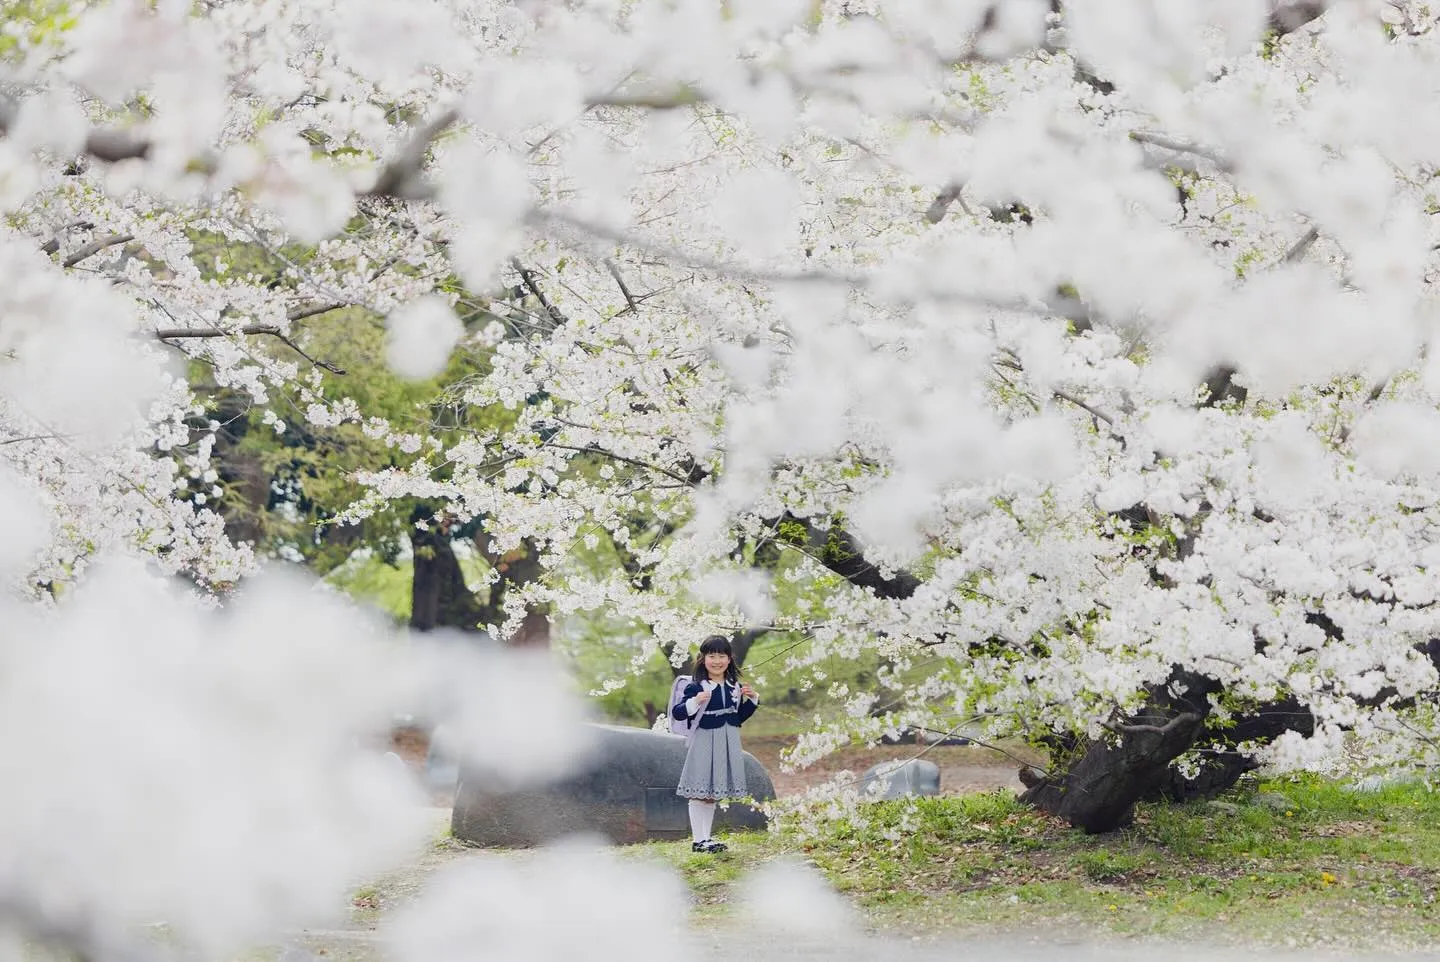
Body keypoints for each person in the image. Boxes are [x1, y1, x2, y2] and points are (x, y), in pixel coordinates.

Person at [672, 635, 759, 853]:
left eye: (722, 656)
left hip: (726, 741)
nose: (717, 660)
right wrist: (695, 701)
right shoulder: (696, 686)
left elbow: (736, 718)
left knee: (710, 793)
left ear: (729, 659)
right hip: (704, 739)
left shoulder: (734, 686)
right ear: (703, 659)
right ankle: (697, 840)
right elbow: (678, 713)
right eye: (712, 655)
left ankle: (706, 839)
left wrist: (754, 700)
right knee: (699, 790)